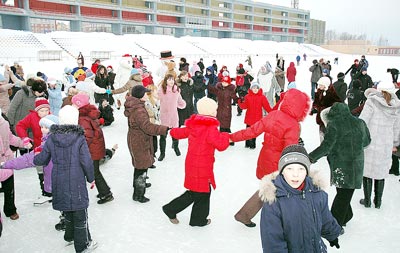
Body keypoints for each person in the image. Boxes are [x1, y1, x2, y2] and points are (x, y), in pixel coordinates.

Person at [230, 89, 311, 227]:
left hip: (265, 156)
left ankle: (245, 214)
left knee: (271, 188)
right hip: (278, 163)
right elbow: (289, 150)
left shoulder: (273, 115)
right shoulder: (293, 124)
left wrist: (231, 137)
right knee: (279, 190)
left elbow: (251, 131)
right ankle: (256, 216)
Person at [33, 105, 97, 253]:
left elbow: (42, 158)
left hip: (59, 180)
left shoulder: (52, 138)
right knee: (80, 212)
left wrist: (35, 158)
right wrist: (91, 178)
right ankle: (83, 245)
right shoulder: (79, 138)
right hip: (76, 181)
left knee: (67, 208)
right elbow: (86, 160)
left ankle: (69, 236)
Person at [259, 144, 342, 252]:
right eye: (289, 169)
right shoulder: (274, 201)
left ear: (307, 171)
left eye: (301, 169)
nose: (295, 174)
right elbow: (272, 241)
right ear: (282, 171)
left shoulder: (317, 193)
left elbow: (325, 218)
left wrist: (332, 234)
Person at [162, 97, 230, 226]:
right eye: (214, 110)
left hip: (193, 162)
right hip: (202, 165)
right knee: (200, 192)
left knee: (199, 191)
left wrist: (171, 131)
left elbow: (180, 132)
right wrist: (226, 136)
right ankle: (173, 210)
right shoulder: (211, 128)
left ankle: (196, 219)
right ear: (210, 112)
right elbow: (221, 145)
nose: (216, 112)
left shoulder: (194, 124)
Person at [308, 103, 371, 230]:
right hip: (356, 165)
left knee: (342, 194)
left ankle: (334, 225)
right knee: (344, 192)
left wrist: (310, 157)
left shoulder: (334, 125)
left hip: (341, 165)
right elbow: (367, 141)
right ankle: (347, 215)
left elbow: (326, 146)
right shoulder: (360, 123)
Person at [124, 85, 169, 202]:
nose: (146, 94)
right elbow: (147, 127)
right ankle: (138, 194)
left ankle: (140, 185)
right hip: (139, 140)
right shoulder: (138, 110)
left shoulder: (136, 105)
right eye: (144, 93)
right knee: (141, 168)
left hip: (137, 139)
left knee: (139, 165)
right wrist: (163, 129)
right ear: (139, 95)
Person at [358, 88, 400, 209]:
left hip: (371, 141)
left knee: (367, 171)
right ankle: (378, 201)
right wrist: (394, 143)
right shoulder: (396, 105)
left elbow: (363, 122)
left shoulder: (371, 101)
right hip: (386, 143)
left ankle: (367, 201)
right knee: (380, 172)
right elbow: (397, 128)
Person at [72, 93, 114, 205]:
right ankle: (104, 191)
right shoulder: (89, 114)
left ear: (79, 105)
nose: (72, 105)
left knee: (94, 172)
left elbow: (87, 136)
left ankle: (106, 194)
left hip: (91, 149)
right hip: (96, 147)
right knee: (96, 171)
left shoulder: (82, 118)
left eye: (73, 103)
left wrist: (79, 148)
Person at [0, 108, 32, 221]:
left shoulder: (3, 123)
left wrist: (22, 143)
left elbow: (10, 138)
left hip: (7, 160)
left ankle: (10, 209)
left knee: (9, 188)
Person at [16, 97, 51, 197]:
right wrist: (25, 138)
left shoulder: (51, 117)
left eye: (47, 110)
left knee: (51, 170)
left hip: (51, 149)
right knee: (41, 170)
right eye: (42, 110)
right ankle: (45, 190)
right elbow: (20, 125)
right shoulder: (32, 117)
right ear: (37, 111)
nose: (45, 113)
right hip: (38, 148)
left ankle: (53, 190)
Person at [157, 74, 186, 161]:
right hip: (164, 116)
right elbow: (156, 98)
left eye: (172, 79)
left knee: (175, 135)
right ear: (166, 81)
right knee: (163, 136)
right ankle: (162, 153)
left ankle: (176, 148)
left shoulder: (176, 90)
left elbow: (180, 101)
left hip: (173, 116)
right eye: (169, 80)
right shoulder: (161, 90)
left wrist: (182, 104)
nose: (171, 81)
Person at [237, 82, 271, 149]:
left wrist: (272, 112)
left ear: (259, 89)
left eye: (256, 88)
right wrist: (240, 102)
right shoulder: (247, 96)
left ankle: (252, 145)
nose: (255, 89)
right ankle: (247, 144)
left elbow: (267, 107)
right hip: (249, 118)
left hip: (257, 119)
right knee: (247, 131)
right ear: (251, 89)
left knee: (254, 132)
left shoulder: (262, 97)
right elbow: (244, 107)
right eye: (253, 88)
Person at [207, 76, 237, 144]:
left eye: (226, 82)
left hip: (227, 110)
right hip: (220, 109)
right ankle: (221, 139)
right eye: (223, 82)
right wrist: (207, 84)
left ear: (229, 83)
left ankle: (229, 140)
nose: (224, 84)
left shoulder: (230, 90)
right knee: (221, 125)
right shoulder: (219, 89)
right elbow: (212, 89)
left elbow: (235, 98)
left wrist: (240, 100)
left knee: (226, 126)